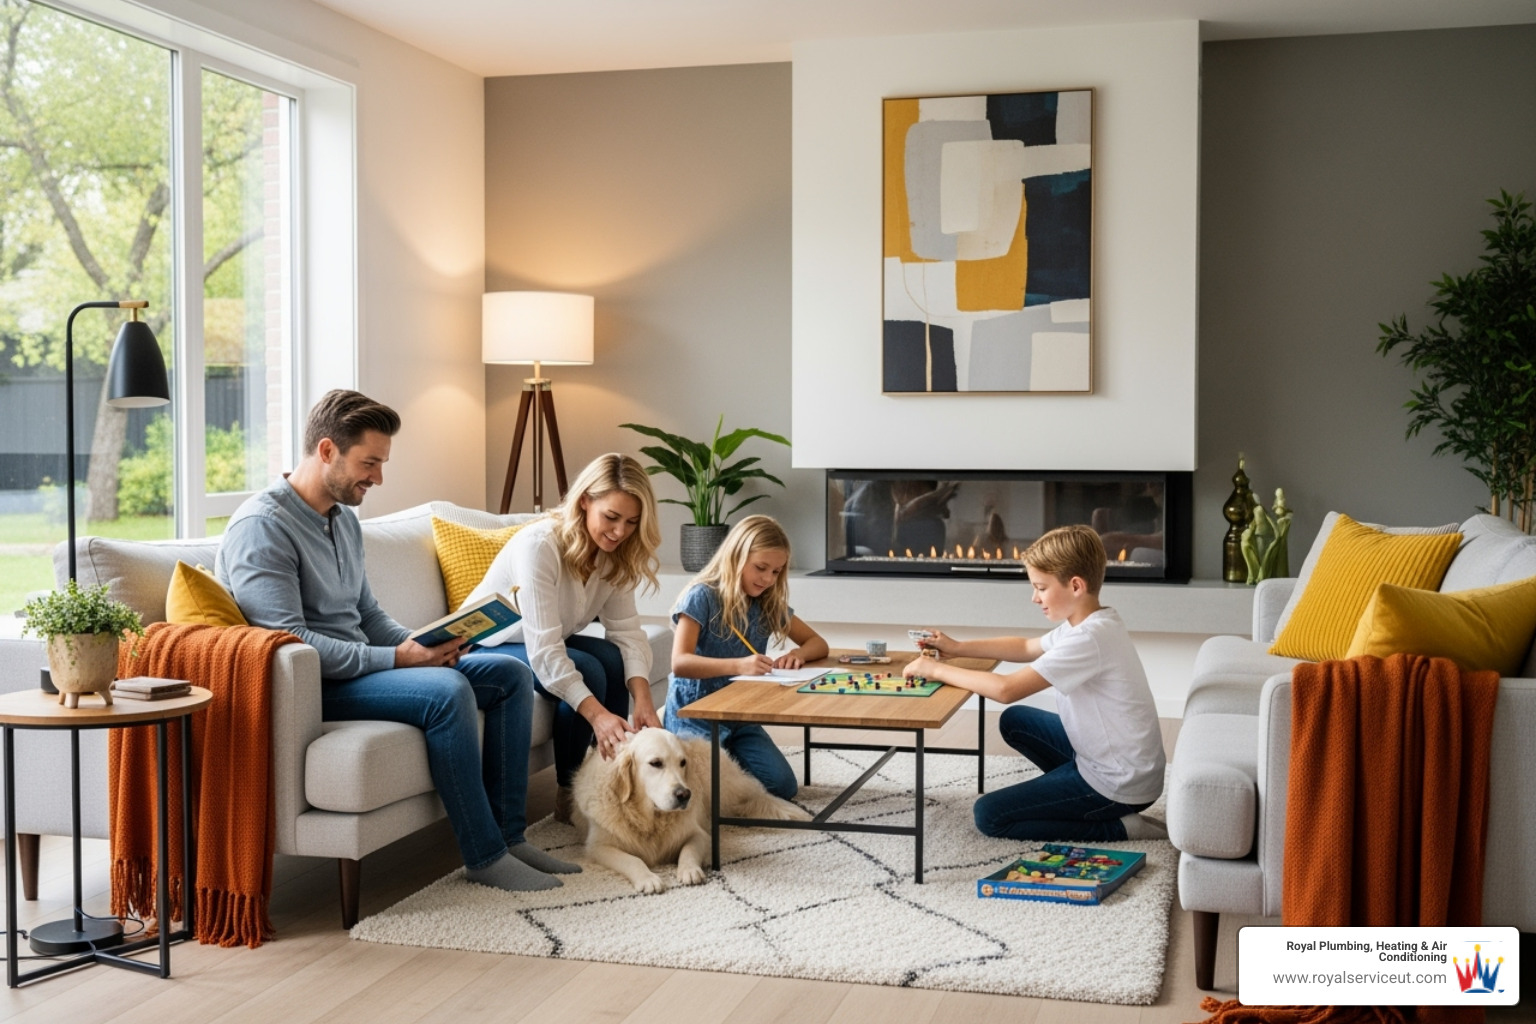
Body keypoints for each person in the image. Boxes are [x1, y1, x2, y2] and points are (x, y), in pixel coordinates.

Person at [217, 389, 574, 893]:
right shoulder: (263, 527)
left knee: (510, 674)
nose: (378, 478)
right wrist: (399, 658)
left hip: (364, 666)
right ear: (325, 451)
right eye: (369, 463)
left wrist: (428, 643)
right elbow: (287, 643)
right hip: (315, 684)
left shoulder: (342, 521)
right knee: (446, 693)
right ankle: (484, 855)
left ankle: (510, 837)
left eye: (382, 463)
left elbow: (366, 613)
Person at [906, 524, 1167, 842]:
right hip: (1114, 762)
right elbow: (1026, 647)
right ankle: (1068, 795)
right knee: (1016, 722)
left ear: (1075, 586)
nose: (1034, 598)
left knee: (990, 815)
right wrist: (957, 648)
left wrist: (935, 671)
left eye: (1041, 588)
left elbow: (1006, 689)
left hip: (1119, 784)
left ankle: (1118, 826)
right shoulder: (1089, 621)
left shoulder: (1089, 638)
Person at [465, 453, 662, 823]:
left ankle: (613, 776)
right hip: (490, 642)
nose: (620, 532)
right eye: (611, 517)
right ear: (585, 500)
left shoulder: (614, 554)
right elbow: (545, 651)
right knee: (586, 666)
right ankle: (568, 792)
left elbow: (627, 633)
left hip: (540, 639)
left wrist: (644, 701)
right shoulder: (539, 546)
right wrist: (599, 717)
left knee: (611, 657)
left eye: (632, 522)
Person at [663, 514, 829, 799]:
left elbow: (818, 643)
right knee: (700, 793)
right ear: (736, 557)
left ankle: (729, 771)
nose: (767, 579)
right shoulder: (701, 596)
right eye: (761, 568)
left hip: (739, 715)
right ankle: (720, 774)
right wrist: (740, 665)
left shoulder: (767, 602)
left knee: (782, 787)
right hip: (695, 715)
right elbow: (680, 663)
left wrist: (796, 654)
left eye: (776, 572)